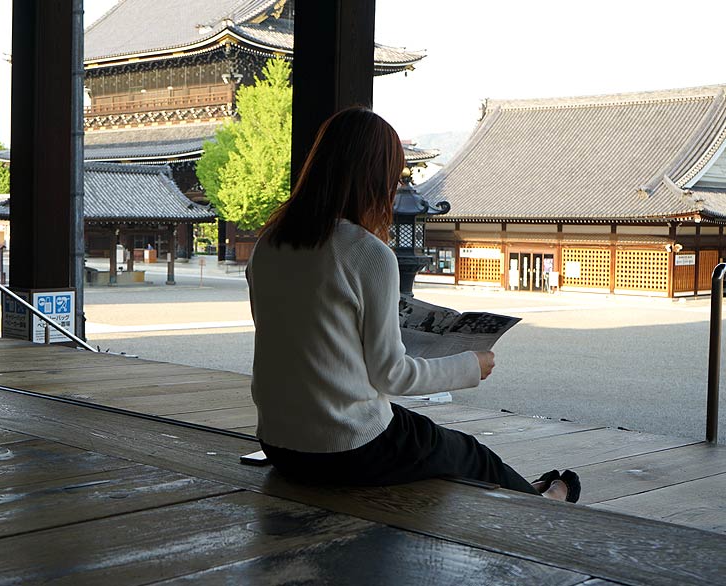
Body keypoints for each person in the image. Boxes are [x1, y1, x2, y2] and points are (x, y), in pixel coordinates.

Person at [246, 107, 579, 503]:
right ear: (377, 179)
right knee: (468, 452)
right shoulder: (368, 253)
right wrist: (471, 364)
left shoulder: (268, 244)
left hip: (279, 444)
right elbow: (393, 376)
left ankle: (526, 488)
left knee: (429, 438)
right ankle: (542, 502)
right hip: (345, 449)